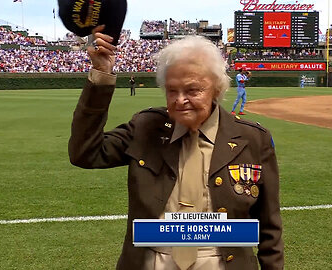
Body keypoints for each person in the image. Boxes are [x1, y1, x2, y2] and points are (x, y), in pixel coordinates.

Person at [69, 26, 283, 270]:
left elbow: (269, 228)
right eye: (172, 90)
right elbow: (84, 153)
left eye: (192, 90)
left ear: (216, 88)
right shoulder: (145, 127)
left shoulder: (253, 139)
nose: (180, 100)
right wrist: (101, 74)